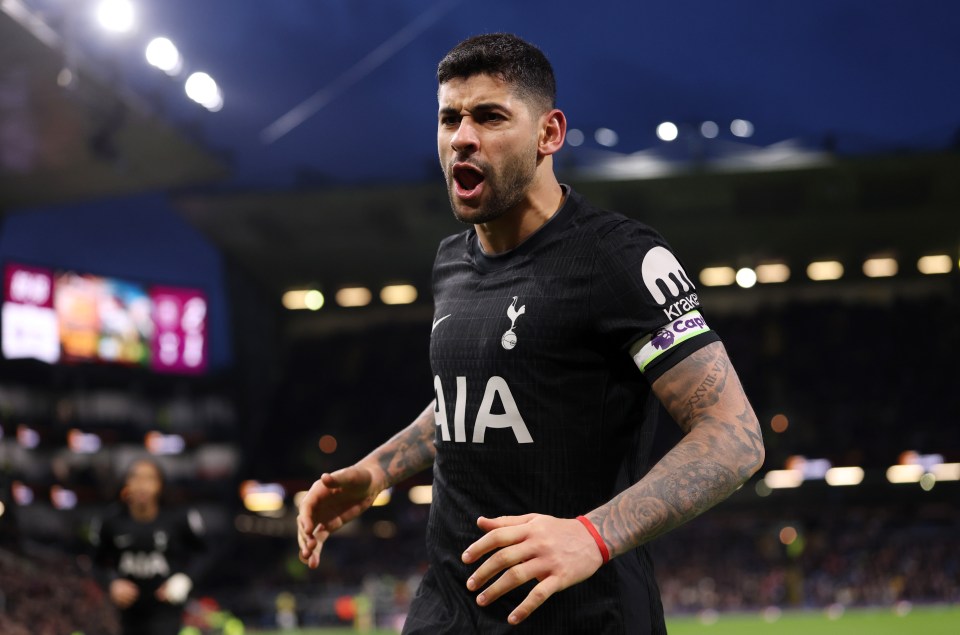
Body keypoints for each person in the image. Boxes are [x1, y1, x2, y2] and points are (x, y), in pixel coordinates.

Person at [298, 33, 764, 634]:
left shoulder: (617, 257)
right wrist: (377, 472)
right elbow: (473, 399)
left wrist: (591, 536)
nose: (463, 137)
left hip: (581, 613)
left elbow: (735, 436)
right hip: (449, 607)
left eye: (490, 116)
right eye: (449, 118)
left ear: (549, 134)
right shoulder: (451, 261)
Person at [89, 457, 209, 635]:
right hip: (125, 612)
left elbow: (205, 553)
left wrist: (185, 579)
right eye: (135, 477)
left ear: (160, 485)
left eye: (149, 478)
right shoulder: (110, 521)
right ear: (126, 483)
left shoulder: (179, 518)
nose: (141, 484)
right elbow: (95, 562)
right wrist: (111, 583)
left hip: (166, 609)